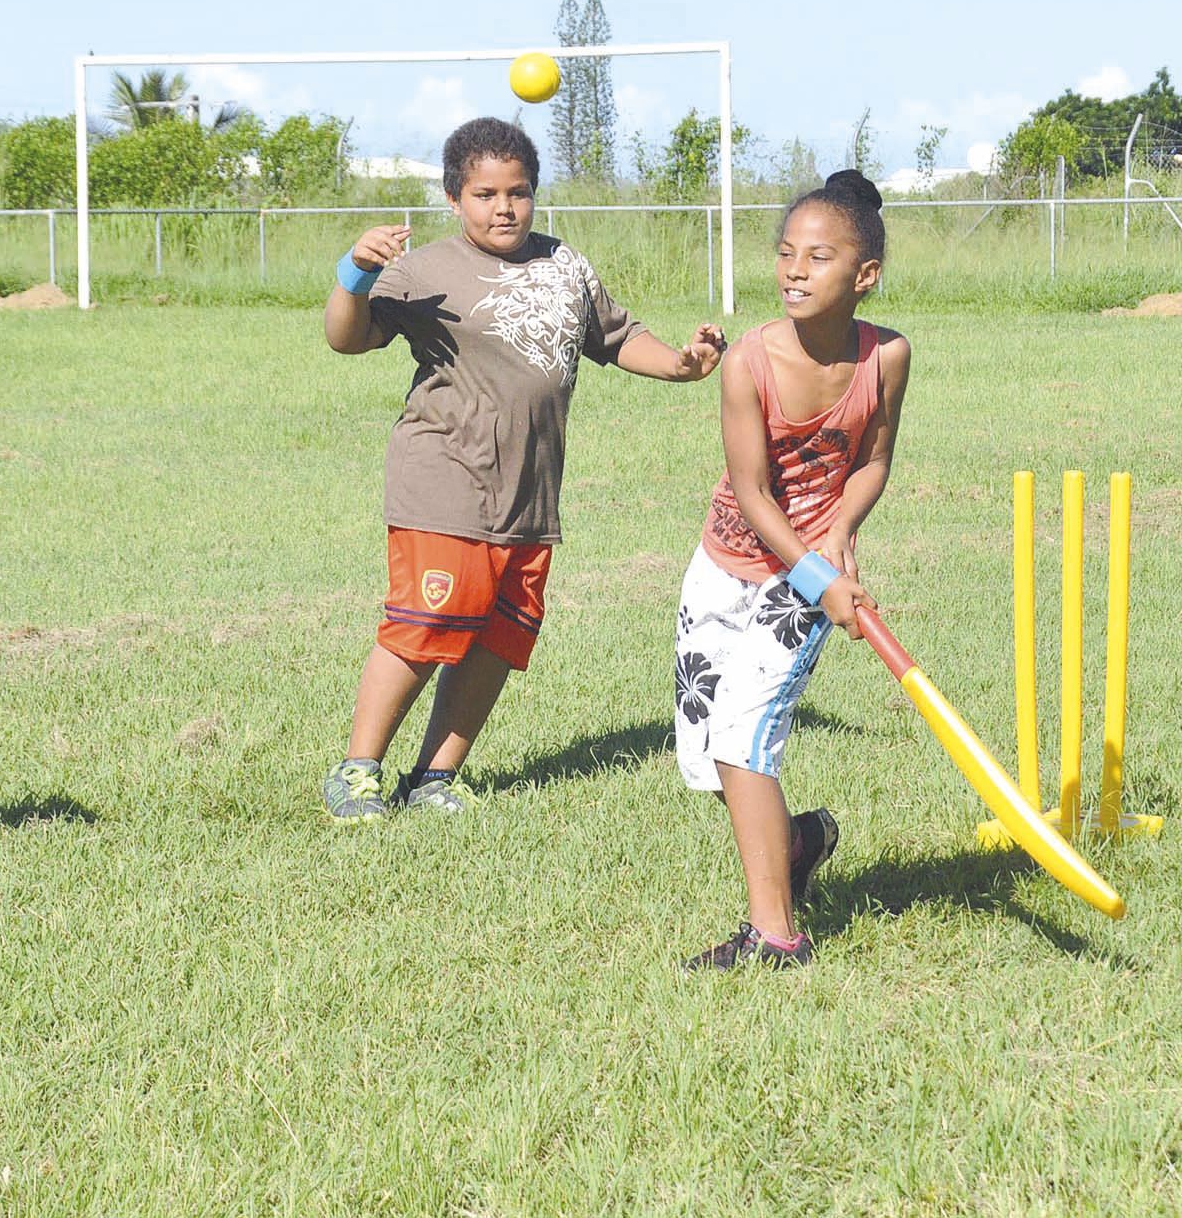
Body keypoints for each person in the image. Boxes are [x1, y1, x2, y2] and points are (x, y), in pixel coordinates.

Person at [321, 117, 724, 821]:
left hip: (530, 493)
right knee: (425, 624)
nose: (503, 208)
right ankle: (357, 772)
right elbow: (347, 338)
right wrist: (355, 273)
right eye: (484, 194)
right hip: (444, 478)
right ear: (454, 198)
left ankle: (433, 777)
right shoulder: (424, 270)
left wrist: (681, 364)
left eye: (518, 192)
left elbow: (617, 337)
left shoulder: (564, 264)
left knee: (499, 637)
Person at [675, 170, 911, 971]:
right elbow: (751, 491)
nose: (794, 271)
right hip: (725, 563)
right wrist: (821, 574)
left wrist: (839, 533)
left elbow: (872, 460)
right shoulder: (748, 361)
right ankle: (800, 842)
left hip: (802, 577)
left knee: (743, 742)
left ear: (864, 274)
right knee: (710, 757)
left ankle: (776, 936)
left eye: (817, 257)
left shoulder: (886, 356)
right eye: (784, 254)